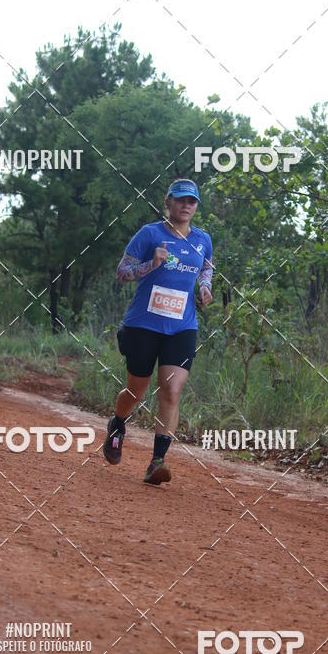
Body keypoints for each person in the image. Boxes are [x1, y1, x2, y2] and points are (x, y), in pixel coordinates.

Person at [103, 178, 213, 485]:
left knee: (172, 389)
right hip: (143, 324)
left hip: (182, 327)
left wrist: (205, 287)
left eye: (192, 201)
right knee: (135, 390)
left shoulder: (202, 239)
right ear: (168, 202)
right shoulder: (149, 233)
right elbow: (122, 273)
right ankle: (118, 422)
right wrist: (150, 264)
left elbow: (207, 267)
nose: (186, 206)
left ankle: (157, 462)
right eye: (180, 200)